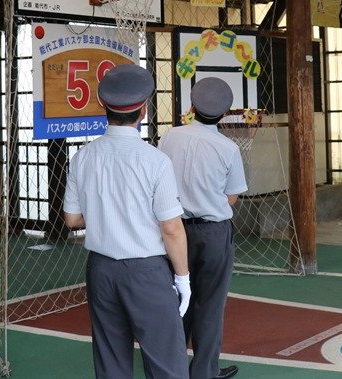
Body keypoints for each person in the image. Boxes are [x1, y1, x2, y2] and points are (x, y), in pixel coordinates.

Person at [64, 64, 191, 378]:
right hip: (147, 271)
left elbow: (72, 219)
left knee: (110, 360)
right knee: (166, 361)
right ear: (144, 110)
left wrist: (106, 214)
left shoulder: (82, 157)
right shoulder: (156, 161)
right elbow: (171, 228)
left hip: (101, 270)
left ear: (102, 106)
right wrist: (183, 278)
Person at [160, 77, 248, 379]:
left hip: (173, 228)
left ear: (192, 107)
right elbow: (232, 196)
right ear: (224, 113)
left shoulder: (169, 137)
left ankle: (172, 369)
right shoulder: (228, 148)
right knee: (209, 304)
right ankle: (204, 372)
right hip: (213, 233)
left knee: (177, 298)